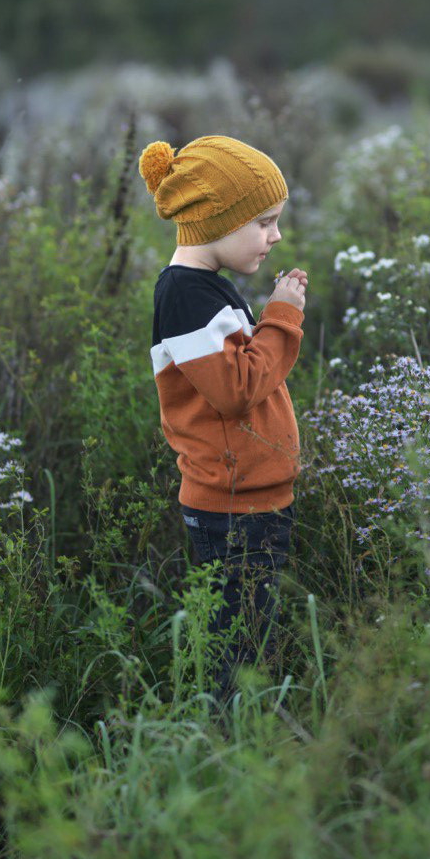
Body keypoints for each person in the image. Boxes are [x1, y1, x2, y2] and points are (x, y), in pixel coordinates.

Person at [137, 134, 307, 707]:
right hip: (230, 509)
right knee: (238, 653)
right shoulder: (186, 295)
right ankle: (231, 750)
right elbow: (238, 390)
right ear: (217, 219)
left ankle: (242, 741)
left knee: (250, 641)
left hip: (252, 500)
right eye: (263, 222)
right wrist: (283, 317)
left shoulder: (205, 289)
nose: (275, 236)